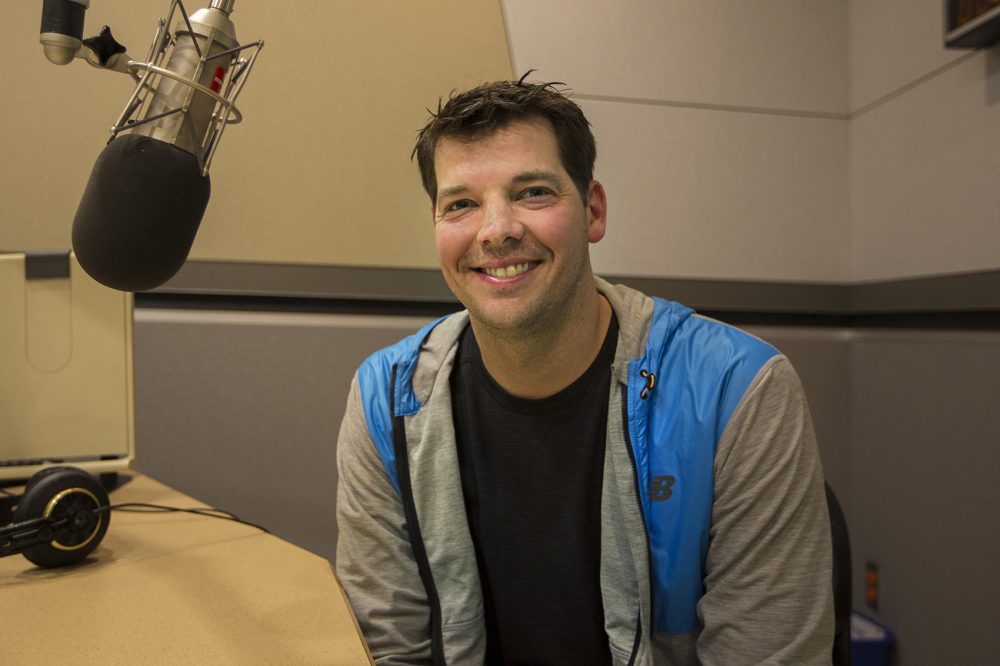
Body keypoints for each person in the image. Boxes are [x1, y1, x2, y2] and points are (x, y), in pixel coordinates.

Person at [335, 76, 834, 665]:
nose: (497, 230)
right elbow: (388, 650)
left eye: (533, 192)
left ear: (592, 211)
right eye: (462, 204)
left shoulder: (737, 389)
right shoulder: (388, 400)